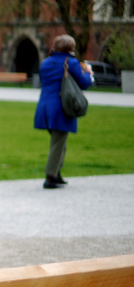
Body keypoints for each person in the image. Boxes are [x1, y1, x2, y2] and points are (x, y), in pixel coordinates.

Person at [34, 35, 94, 189]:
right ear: (70, 49)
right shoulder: (71, 62)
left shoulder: (45, 62)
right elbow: (84, 83)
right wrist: (88, 73)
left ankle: (57, 174)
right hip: (62, 107)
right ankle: (50, 177)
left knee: (60, 142)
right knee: (58, 143)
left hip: (45, 107)